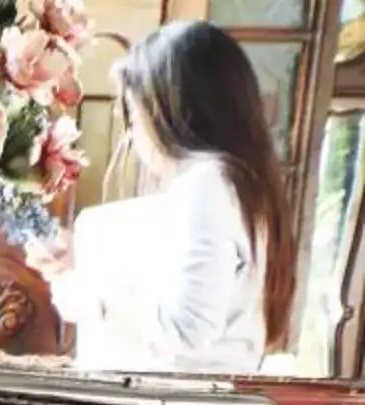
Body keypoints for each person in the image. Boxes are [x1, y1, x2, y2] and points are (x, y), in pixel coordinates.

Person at [27, 20, 299, 374]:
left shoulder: (207, 183)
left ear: (169, 113)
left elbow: (189, 328)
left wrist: (90, 298)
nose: (133, 136)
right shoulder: (242, 184)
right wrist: (79, 263)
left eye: (133, 115)